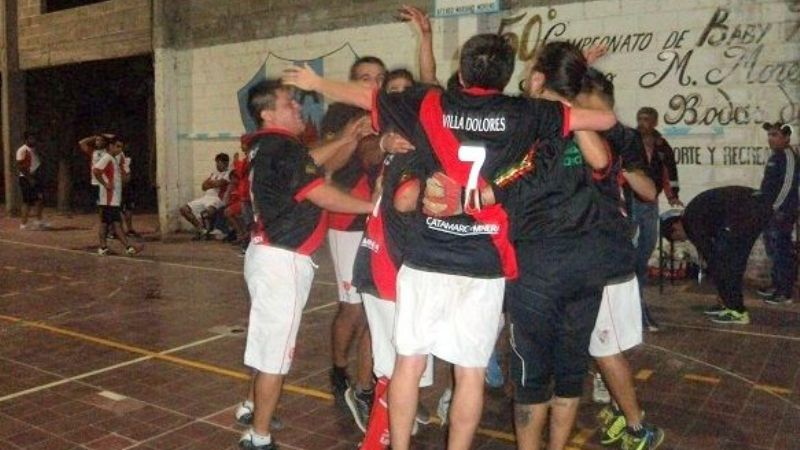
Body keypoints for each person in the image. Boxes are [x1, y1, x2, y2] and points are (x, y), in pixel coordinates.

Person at [283, 34, 616, 450]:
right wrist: (560, 100)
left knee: (408, 363)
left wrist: (317, 84)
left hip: (426, 257)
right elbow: (604, 122)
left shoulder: (430, 104)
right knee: (470, 373)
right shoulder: (526, 113)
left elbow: (368, 94)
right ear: (507, 76)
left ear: (461, 72)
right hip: (484, 259)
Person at [237, 79, 376, 450]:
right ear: (268, 113)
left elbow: (310, 161)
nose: (299, 108)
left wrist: (347, 138)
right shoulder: (282, 148)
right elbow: (320, 192)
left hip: (268, 256)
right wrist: (372, 206)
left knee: (268, 341)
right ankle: (259, 437)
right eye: (289, 103)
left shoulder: (271, 147)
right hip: (280, 262)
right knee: (275, 354)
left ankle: (252, 407)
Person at [578, 68, 665, 450]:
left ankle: (636, 427)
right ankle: (620, 409)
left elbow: (647, 191)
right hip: (589, 256)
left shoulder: (620, 138)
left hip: (607, 258)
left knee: (605, 348)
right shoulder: (576, 133)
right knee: (599, 346)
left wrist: (628, 173)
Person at [323, 56, 386, 417]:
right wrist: (356, 134)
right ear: (352, 81)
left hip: (380, 219)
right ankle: (338, 368)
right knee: (352, 306)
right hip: (348, 216)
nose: (372, 85)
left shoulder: (390, 109)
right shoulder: (339, 113)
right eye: (364, 78)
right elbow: (331, 164)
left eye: (378, 78)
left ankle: (370, 376)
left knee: (374, 303)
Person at [663, 186, 773, 324]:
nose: (684, 240)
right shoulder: (696, 214)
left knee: (726, 263)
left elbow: (712, 258)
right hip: (758, 205)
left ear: (676, 226)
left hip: (745, 211)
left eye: (678, 237)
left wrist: (720, 280)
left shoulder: (691, 222)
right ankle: (728, 304)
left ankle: (736, 311)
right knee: (734, 261)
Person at [633, 107, 681, 331]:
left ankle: (638, 271)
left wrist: (673, 196)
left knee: (649, 242)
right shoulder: (628, 141)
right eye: (640, 119)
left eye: (647, 119)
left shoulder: (662, 146)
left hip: (650, 202)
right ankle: (634, 295)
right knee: (629, 244)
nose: (643, 122)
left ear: (655, 121)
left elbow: (669, 172)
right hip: (630, 201)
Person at [756, 123, 798, 305]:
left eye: (775, 135)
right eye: (769, 134)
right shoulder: (776, 156)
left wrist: (776, 208)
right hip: (770, 211)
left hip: (782, 213)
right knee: (773, 250)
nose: (770, 138)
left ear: (786, 138)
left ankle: (784, 292)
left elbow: (788, 186)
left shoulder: (788, 156)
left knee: (781, 251)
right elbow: (769, 185)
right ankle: (776, 285)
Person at [92, 136, 143, 256]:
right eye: (117, 146)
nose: (120, 149)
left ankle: (103, 247)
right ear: (110, 146)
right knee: (116, 223)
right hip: (110, 198)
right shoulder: (107, 158)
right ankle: (129, 247)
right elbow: (96, 170)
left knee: (105, 223)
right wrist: (105, 184)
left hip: (111, 198)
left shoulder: (113, 159)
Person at [179, 153, 230, 239]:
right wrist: (212, 184)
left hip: (217, 199)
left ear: (226, 163)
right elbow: (203, 186)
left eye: (219, 163)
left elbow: (220, 183)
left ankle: (210, 231)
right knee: (184, 209)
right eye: (217, 162)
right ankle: (201, 230)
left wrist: (211, 183)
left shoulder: (228, 173)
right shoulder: (214, 173)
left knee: (209, 211)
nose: (217, 165)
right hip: (206, 197)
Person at [16, 131, 47, 230]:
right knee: (27, 201)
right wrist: (29, 179)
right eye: (30, 138)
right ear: (26, 139)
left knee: (39, 199)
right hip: (26, 178)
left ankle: (39, 221)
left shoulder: (35, 149)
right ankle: (23, 224)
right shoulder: (22, 150)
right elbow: (21, 166)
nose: (33, 140)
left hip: (36, 177)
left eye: (34, 138)